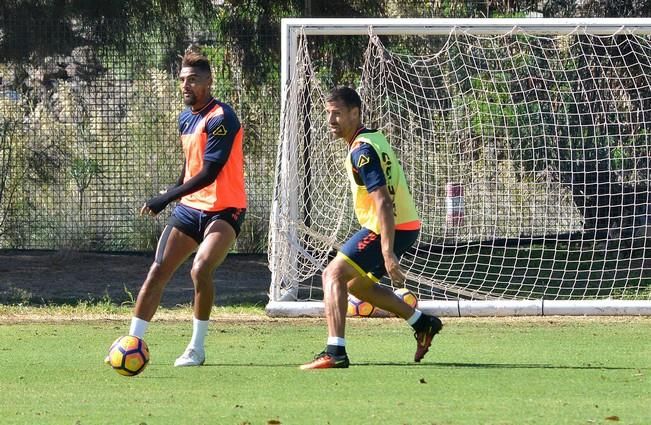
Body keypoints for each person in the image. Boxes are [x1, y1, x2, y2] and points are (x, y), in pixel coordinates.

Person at [108, 47, 246, 367]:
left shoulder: (221, 118)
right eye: (182, 80)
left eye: (193, 79)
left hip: (224, 210)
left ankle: (196, 349)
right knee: (158, 271)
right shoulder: (185, 118)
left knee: (200, 269)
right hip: (190, 208)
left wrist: (165, 198)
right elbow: (190, 167)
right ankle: (132, 341)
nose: (186, 85)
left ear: (209, 82)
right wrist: (174, 190)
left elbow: (210, 172)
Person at [300, 86, 442, 370]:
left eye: (337, 114)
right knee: (358, 286)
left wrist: (388, 253)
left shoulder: (361, 151)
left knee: (333, 274)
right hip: (404, 224)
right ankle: (423, 322)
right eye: (328, 114)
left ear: (355, 113)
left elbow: (383, 202)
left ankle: (335, 352)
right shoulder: (373, 138)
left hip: (388, 225)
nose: (331, 121)